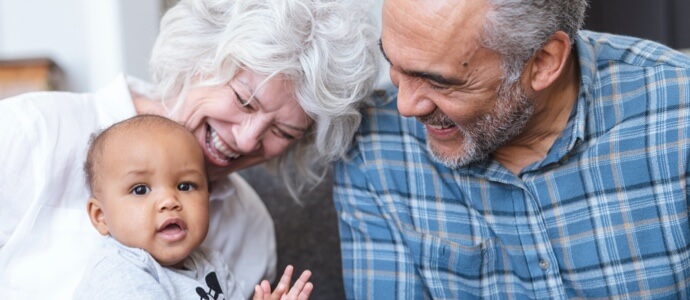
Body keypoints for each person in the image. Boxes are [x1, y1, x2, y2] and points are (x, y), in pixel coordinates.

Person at [0, 0, 379, 298]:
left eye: (283, 130)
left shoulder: (251, 232)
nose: (247, 141)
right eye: (245, 100)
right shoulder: (29, 133)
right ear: (198, 58)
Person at [334, 0, 690, 298]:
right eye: (395, 66)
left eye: (438, 81)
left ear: (544, 62)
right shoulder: (374, 148)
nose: (406, 106)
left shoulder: (677, 115)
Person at [74, 114, 312, 299]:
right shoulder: (120, 274)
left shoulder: (210, 263)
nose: (170, 201)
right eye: (140, 190)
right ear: (100, 216)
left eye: (186, 186)